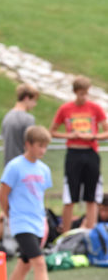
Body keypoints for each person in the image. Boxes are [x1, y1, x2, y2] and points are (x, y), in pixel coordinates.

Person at [49, 76, 108, 233]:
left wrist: (93, 137)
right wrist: (70, 135)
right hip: (74, 152)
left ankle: (91, 231)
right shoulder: (65, 109)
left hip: (90, 152)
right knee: (70, 197)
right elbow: (52, 131)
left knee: (92, 196)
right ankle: (66, 234)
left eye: (86, 93)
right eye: (81, 93)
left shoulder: (95, 108)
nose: (84, 97)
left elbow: (106, 131)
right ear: (75, 92)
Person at [0, 125, 52, 280]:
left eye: (45, 146)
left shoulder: (44, 169)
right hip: (21, 222)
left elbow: (40, 195)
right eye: (39, 146)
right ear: (28, 144)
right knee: (39, 262)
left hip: (38, 222)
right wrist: (10, 215)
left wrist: (44, 219)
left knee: (25, 264)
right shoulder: (14, 166)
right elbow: (2, 196)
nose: (43, 150)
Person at [1, 83, 39, 165]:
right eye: (34, 101)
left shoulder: (7, 117)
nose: (35, 104)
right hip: (23, 165)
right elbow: (31, 145)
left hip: (8, 164)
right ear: (26, 98)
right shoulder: (28, 119)